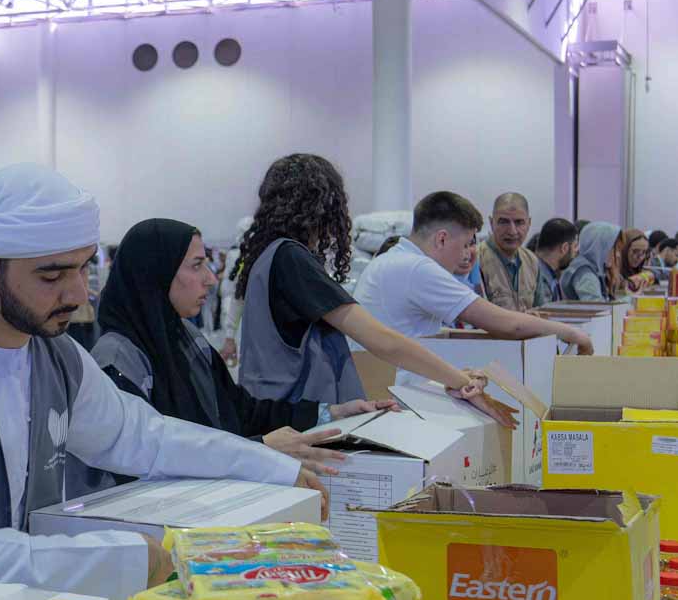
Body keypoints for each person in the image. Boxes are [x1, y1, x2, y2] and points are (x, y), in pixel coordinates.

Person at [0, 164, 321, 600]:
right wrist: (124, 558)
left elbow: (141, 436)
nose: (78, 292)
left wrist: (271, 466)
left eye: (84, 266)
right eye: (52, 276)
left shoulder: (54, 355)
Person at [93, 218, 395, 474]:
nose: (211, 279)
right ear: (155, 274)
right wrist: (258, 449)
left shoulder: (187, 339)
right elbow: (143, 460)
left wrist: (332, 413)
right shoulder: (118, 359)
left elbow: (240, 411)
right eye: (197, 266)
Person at [229, 154, 510, 412]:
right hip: (291, 413)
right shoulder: (292, 259)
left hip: (272, 407)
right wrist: (460, 379)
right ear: (322, 206)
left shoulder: (268, 257)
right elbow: (383, 340)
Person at [354, 192, 594, 383]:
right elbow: (509, 325)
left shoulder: (394, 259)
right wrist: (572, 333)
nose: (467, 255)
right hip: (396, 391)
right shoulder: (417, 268)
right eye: (465, 245)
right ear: (441, 239)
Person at [476, 192, 543, 311]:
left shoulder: (532, 261)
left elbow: (540, 310)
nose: (512, 231)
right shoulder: (476, 259)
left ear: (529, 223)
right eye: (504, 222)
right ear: (491, 223)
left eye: (519, 222)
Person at [557, 222, 628, 301]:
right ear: (599, 246)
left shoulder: (594, 269)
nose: (618, 255)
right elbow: (596, 305)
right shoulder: (584, 273)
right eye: (614, 248)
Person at [530, 218, 578, 304]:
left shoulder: (546, 272)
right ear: (564, 248)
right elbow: (545, 311)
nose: (576, 252)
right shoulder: (538, 276)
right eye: (575, 246)